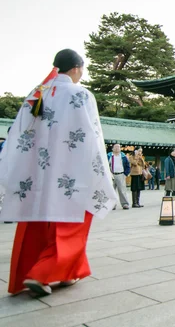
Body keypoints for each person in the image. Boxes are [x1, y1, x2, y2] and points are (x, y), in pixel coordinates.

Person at [0, 49, 117, 296]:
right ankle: (41, 273)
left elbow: (19, 134)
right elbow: (91, 136)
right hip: (69, 173)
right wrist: (99, 171)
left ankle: (60, 273)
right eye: (82, 68)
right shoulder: (81, 94)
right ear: (76, 68)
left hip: (36, 174)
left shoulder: (37, 94)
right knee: (72, 225)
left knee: (35, 225)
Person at [107, 144, 131, 209]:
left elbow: (128, 166)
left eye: (118, 147)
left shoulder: (123, 156)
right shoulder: (109, 156)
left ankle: (125, 204)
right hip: (111, 174)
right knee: (111, 191)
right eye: (115, 147)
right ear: (112, 148)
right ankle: (112, 205)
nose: (117, 148)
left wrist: (125, 174)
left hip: (121, 174)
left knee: (122, 190)